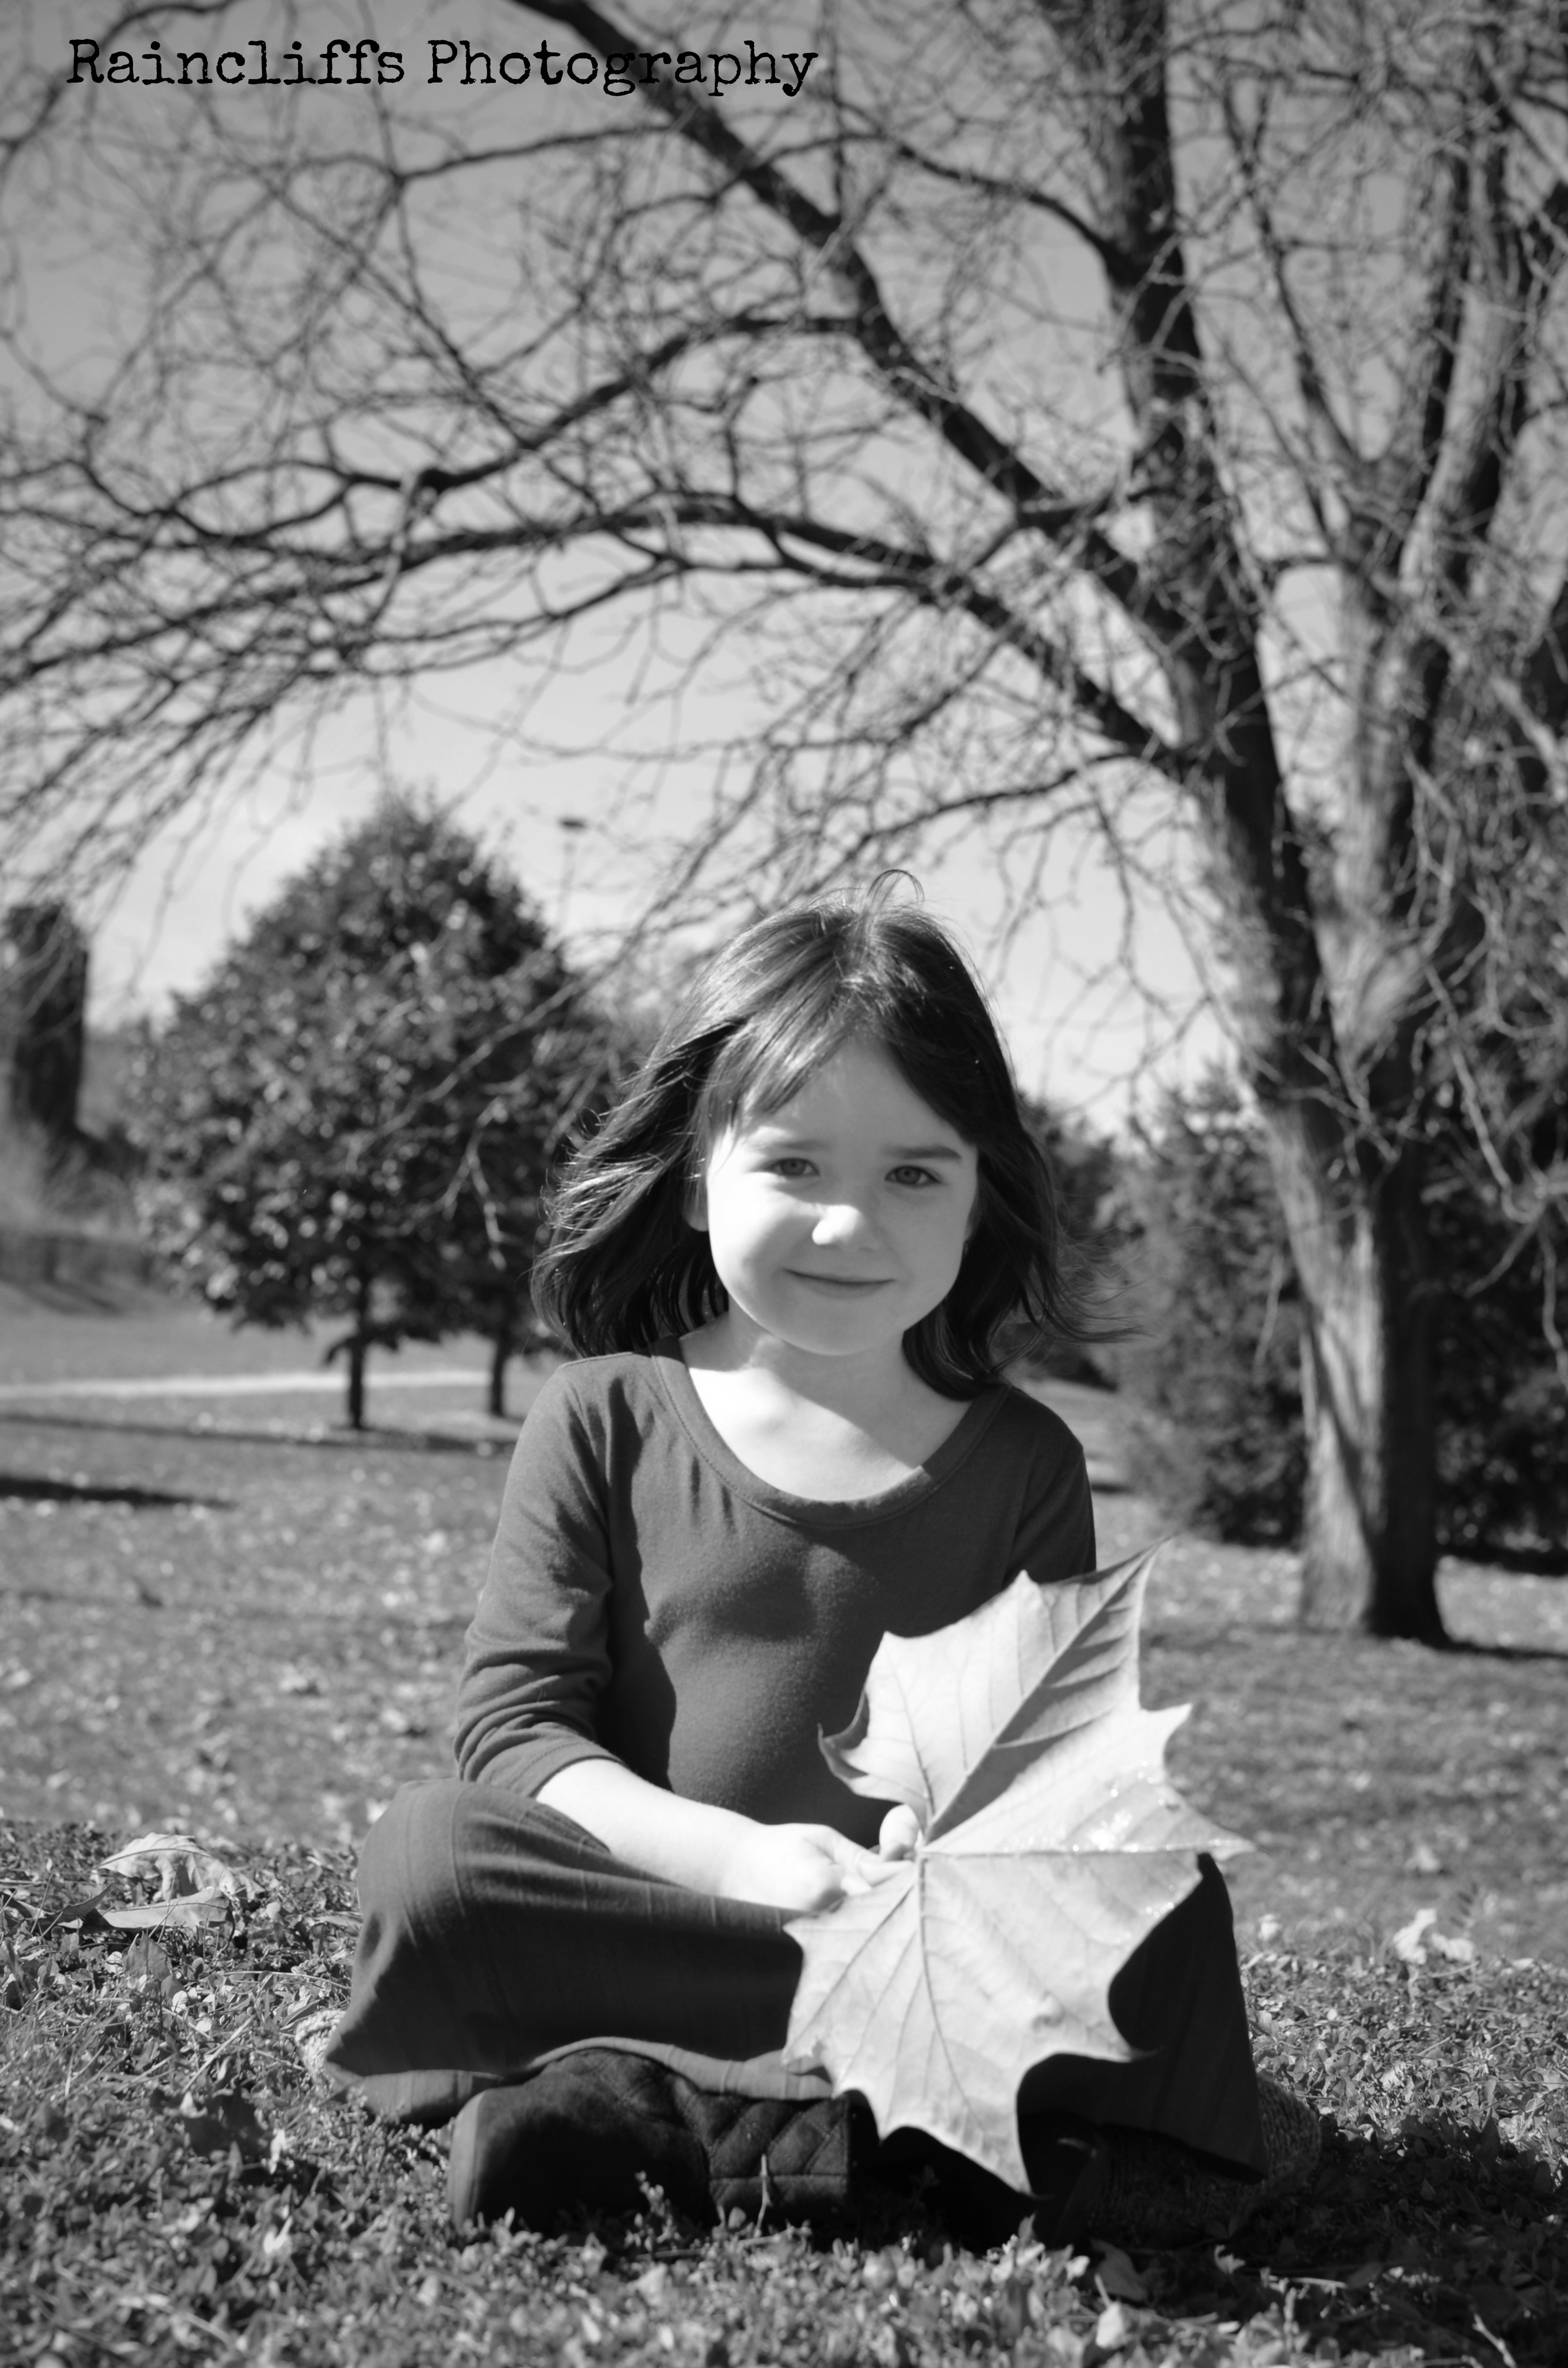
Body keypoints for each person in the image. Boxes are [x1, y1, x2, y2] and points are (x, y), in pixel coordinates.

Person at [324, 888, 1314, 2241]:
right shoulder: (603, 1415)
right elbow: (515, 1735)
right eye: (794, 1165)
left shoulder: (1026, 1463)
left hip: (912, 1941)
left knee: (1170, 1893)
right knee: (430, 1854)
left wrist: (944, 1844)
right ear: (695, 1175)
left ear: (980, 1195)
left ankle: (652, 2118)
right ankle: (902, 2148)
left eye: (914, 1174)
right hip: (665, 1915)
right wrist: (739, 1859)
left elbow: (1042, 1768)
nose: (851, 1225)